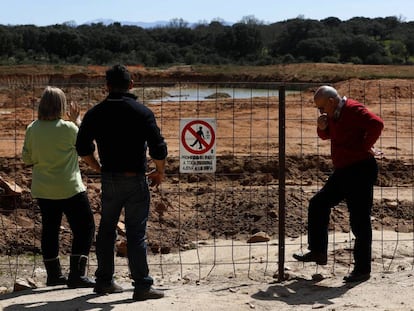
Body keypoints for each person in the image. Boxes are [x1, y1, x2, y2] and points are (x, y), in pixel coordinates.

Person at [75, 64, 168, 301]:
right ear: (131, 85)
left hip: (110, 179)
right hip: (136, 179)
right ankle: (142, 285)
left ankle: (104, 281)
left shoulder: (95, 113)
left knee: (106, 230)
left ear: (106, 86)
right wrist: (159, 171)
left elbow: (83, 147)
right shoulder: (142, 112)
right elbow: (158, 147)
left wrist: (98, 167)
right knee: (136, 233)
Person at [293, 85, 384, 283]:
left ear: (332, 102)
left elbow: (377, 124)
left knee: (359, 221)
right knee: (318, 203)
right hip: (344, 171)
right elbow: (328, 136)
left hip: (360, 170)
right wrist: (321, 127)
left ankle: (362, 270)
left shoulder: (353, 109)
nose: (321, 111)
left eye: (321, 108)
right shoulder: (335, 114)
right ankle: (318, 251)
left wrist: (365, 147)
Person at [22, 86, 96, 288]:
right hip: (69, 187)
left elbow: (27, 159)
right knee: (85, 228)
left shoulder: (32, 128)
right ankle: (77, 275)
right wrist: (77, 121)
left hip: (44, 189)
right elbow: (86, 145)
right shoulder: (68, 128)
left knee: (50, 229)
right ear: (62, 106)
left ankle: (54, 275)